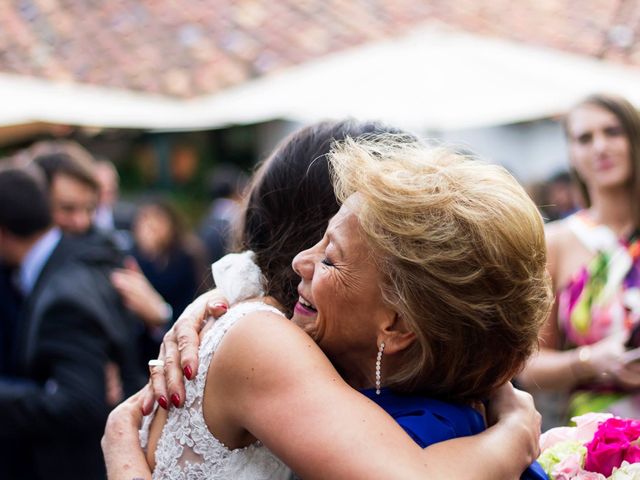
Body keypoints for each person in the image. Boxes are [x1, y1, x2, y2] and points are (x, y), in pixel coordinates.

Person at [103, 122, 549, 479]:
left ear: (398, 325)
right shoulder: (261, 336)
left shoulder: (291, 343)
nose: (302, 261)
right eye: (319, 241)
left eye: (332, 255)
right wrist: (516, 432)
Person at [0, 166, 145, 479]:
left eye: (89, 208)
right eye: (68, 208)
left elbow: (80, 402)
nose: (80, 221)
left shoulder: (65, 293)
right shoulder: (63, 265)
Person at [519, 93, 640, 420]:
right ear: (571, 153)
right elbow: (528, 365)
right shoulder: (555, 242)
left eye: (613, 132)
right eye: (585, 138)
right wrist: (588, 361)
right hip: (597, 445)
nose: (600, 147)